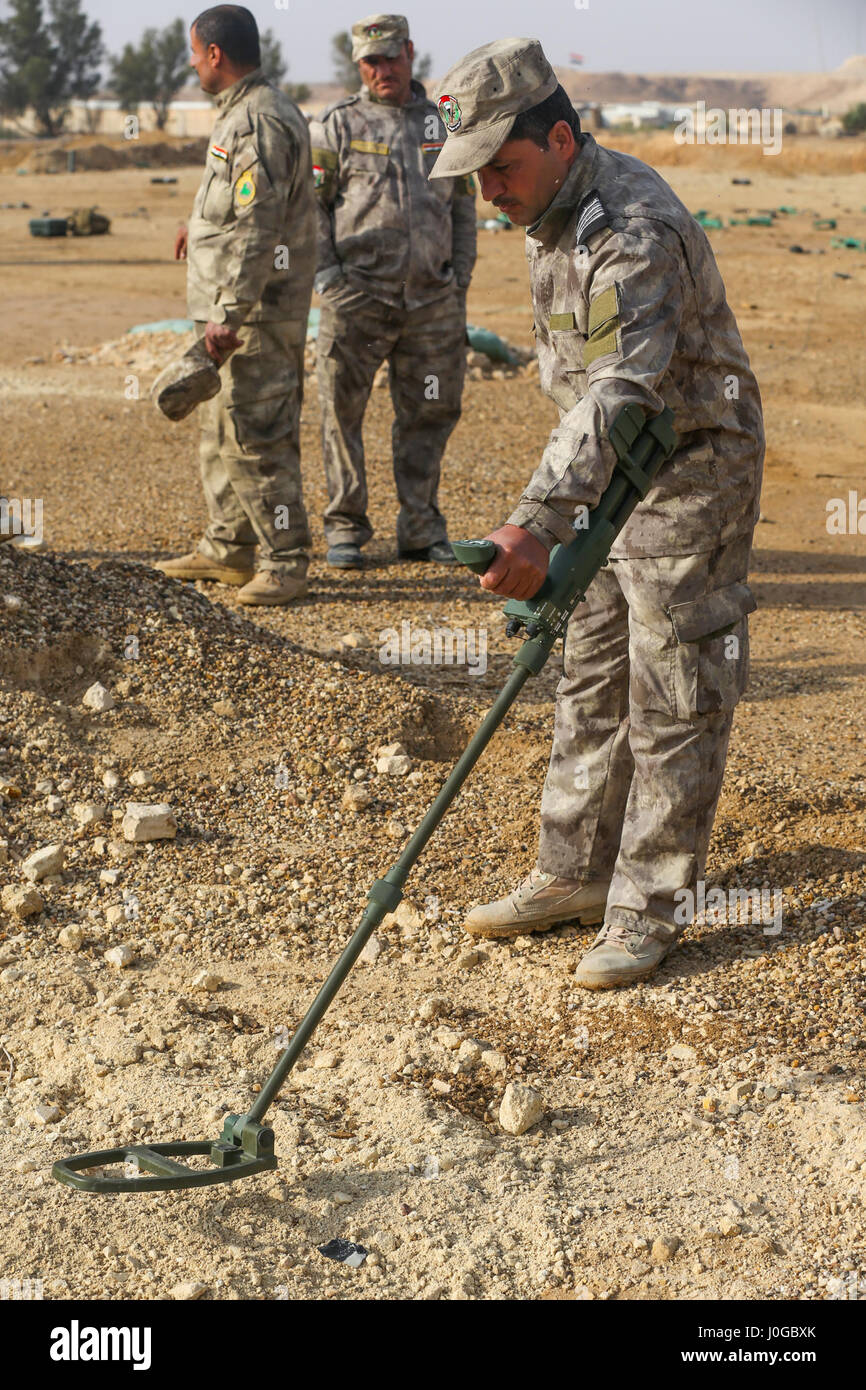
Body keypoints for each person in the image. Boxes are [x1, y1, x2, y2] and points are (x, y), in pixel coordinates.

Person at [429, 39, 765, 989]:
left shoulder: (627, 229)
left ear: (563, 140)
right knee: (589, 670)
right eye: (476, 173)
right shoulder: (551, 214)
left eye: (503, 166)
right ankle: (574, 874)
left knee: (673, 688)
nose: (490, 191)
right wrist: (562, 513)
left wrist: (537, 519)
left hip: (692, 463)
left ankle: (650, 906)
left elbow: (622, 388)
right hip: (613, 473)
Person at [156, 4, 316, 606]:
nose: (193, 63)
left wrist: (229, 313)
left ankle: (286, 559)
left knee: (257, 434)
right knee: (221, 428)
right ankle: (228, 548)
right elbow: (234, 206)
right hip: (239, 308)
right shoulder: (243, 113)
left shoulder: (256, 120)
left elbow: (258, 224)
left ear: (215, 54)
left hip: (255, 314)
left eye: (195, 53)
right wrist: (194, 226)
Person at [308, 13, 477, 569]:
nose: (383, 70)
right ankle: (345, 530)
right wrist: (328, 280)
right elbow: (309, 209)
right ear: (359, 65)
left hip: (431, 304)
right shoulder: (337, 126)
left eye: (391, 57)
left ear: (409, 52)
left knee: (429, 413)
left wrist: (459, 283)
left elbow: (463, 207)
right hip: (357, 299)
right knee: (342, 414)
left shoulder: (443, 125)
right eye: (370, 62)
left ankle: (422, 529)